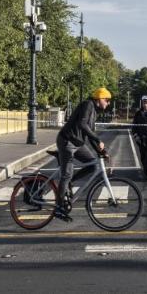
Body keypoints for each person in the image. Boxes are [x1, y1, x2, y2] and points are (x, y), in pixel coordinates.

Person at [53, 87, 111, 221]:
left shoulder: (94, 112)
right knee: (66, 174)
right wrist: (98, 139)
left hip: (78, 143)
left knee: (93, 165)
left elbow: (88, 134)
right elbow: (82, 124)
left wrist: (101, 151)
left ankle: (70, 183)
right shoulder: (88, 104)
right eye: (107, 100)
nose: (108, 104)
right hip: (67, 140)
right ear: (100, 98)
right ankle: (59, 207)